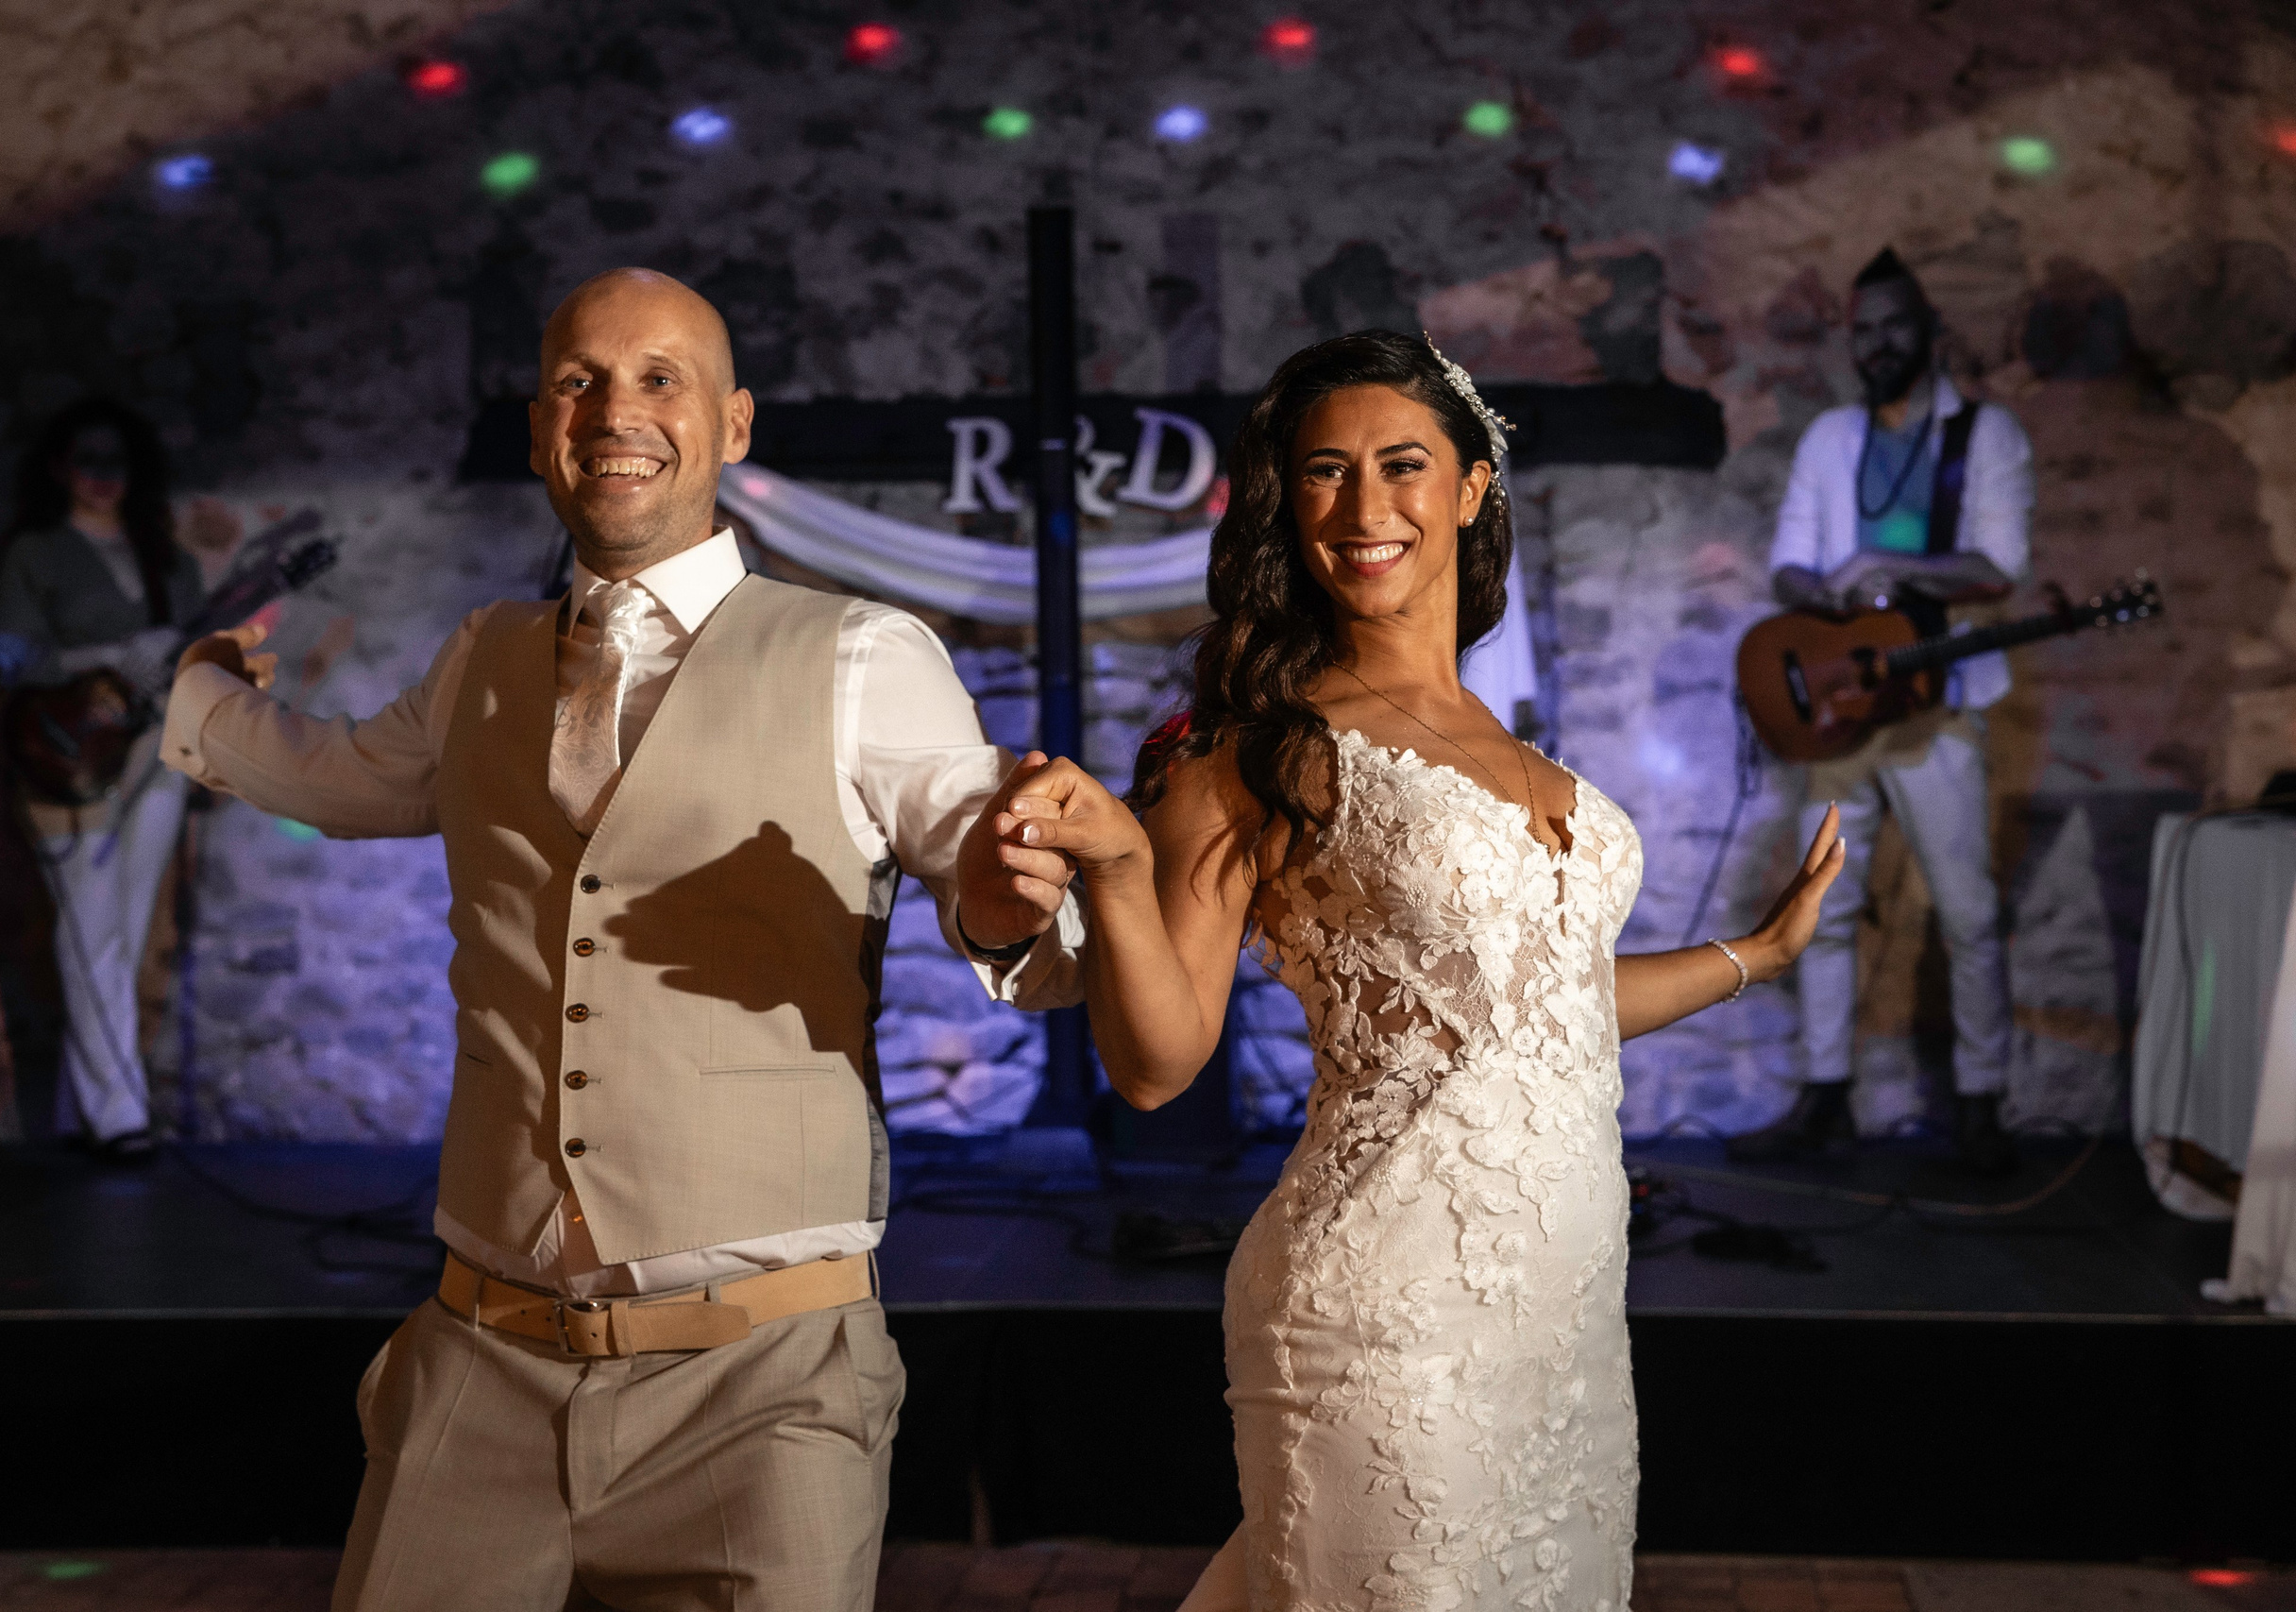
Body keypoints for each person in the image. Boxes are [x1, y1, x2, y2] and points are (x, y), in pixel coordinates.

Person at [159, 268, 1080, 1611]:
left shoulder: (863, 652)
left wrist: (1011, 897)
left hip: (762, 1377)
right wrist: (201, 690)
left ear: (735, 423)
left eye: (661, 378)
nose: (616, 410)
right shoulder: (483, 655)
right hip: (483, 1361)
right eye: (581, 380)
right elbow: (344, 775)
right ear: (542, 427)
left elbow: (986, 856)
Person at [985, 331, 1844, 1611]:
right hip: (1383, 1315)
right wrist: (1114, 866)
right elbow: (1157, 1064)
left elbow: (1534, 1021)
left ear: (1470, 487)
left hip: (1564, 1317)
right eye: (1325, 472)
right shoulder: (1260, 747)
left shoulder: (1505, 741)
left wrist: (1754, 956)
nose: (1364, 505)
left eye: (1402, 464)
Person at [1729, 247, 2034, 1177]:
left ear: (1929, 332)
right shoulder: (1828, 439)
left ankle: (1980, 1105)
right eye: (1861, 330)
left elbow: (1998, 566)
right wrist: (1822, 587)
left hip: (1932, 703)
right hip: (1839, 703)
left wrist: (1897, 571)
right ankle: (1825, 1096)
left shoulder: (1984, 437)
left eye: (1892, 326)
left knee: (1969, 910)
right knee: (1823, 907)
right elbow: (1786, 563)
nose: (1876, 344)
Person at [0, 399, 211, 1160]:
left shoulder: (169, 563)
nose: (101, 477)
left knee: (119, 929)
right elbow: (11, 656)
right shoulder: (38, 552)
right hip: (67, 756)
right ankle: (118, 1112)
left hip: (156, 751)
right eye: (86, 460)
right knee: (89, 929)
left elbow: (200, 659)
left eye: (114, 461)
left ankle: (88, 1107)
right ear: (60, 467)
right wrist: (108, 654)